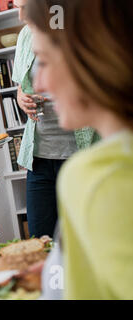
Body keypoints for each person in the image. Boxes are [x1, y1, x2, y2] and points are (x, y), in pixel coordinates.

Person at [27, 0, 133, 299]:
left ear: (91, 57)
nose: (39, 83)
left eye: (44, 62)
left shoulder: (100, 173)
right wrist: (56, 274)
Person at [11, 0, 99, 238]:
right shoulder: (25, 36)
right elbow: (22, 87)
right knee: (43, 242)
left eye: (25, 6)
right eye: (15, 5)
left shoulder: (82, 29)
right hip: (39, 158)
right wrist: (22, 98)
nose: (20, 16)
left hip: (81, 154)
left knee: (86, 239)